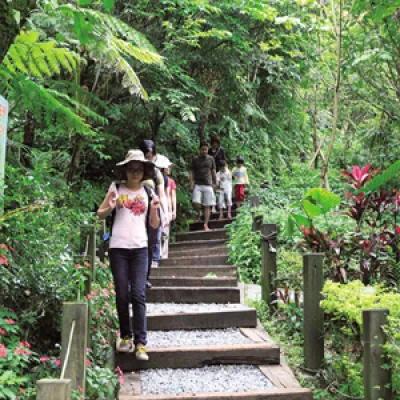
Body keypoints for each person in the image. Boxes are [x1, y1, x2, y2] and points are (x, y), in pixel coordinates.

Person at [97, 149, 160, 361]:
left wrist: (153, 209)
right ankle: (125, 336)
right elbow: (100, 214)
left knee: (139, 294)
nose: (135, 172)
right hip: (118, 248)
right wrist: (110, 207)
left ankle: (141, 343)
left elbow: (154, 224)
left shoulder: (149, 193)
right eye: (131, 169)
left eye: (138, 169)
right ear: (125, 170)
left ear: (144, 172)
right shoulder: (115, 188)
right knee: (122, 294)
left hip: (140, 248)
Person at [138, 140, 169, 286]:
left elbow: (162, 194)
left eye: (150, 155)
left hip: (151, 210)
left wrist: (166, 212)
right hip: (135, 210)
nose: (148, 158)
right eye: (146, 155)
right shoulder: (134, 169)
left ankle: (145, 277)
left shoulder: (156, 173)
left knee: (150, 244)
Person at [190, 141, 217, 231]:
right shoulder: (195, 159)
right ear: (200, 149)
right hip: (198, 184)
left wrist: (215, 182)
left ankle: (205, 224)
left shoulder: (211, 159)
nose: (204, 151)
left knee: (207, 205)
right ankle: (199, 212)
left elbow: (213, 171)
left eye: (206, 149)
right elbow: (192, 172)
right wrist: (191, 184)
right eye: (203, 149)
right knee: (195, 202)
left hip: (208, 184)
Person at [155, 155, 175, 259]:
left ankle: (162, 254)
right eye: (167, 167)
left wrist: (169, 211)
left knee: (163, 231)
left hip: (161, 206)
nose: (169, 169)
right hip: (153, 205)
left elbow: (166, 195)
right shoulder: (153, 176)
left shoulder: (166, 179)